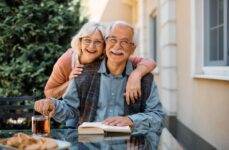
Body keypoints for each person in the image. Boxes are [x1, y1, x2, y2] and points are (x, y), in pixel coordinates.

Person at [35, 21, 164, 131]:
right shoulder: (80, 72)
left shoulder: (145, 79)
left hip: (129, 143)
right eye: (113, 40)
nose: (117, 46)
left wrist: (131, 120)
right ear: (106, 44)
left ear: (132, 49)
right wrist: (54, 104)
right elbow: (70, 109)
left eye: (124, 42)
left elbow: (158, 116)